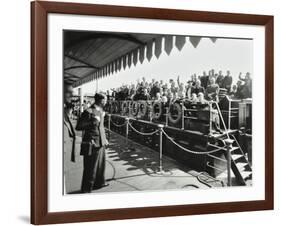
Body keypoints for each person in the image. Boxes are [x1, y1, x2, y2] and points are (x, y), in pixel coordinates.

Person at [76, 93, 109, 193]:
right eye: (105, 100)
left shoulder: (101, 111)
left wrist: (105, 139)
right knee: (90, 167)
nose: (106, 101)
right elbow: (79, 126)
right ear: (101, 100)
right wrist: (92, 122)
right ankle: (86, 189)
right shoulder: (88, 111)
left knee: (100, 165)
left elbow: (101, 127)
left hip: (101, 142)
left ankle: (99, 183)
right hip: (92, 143)